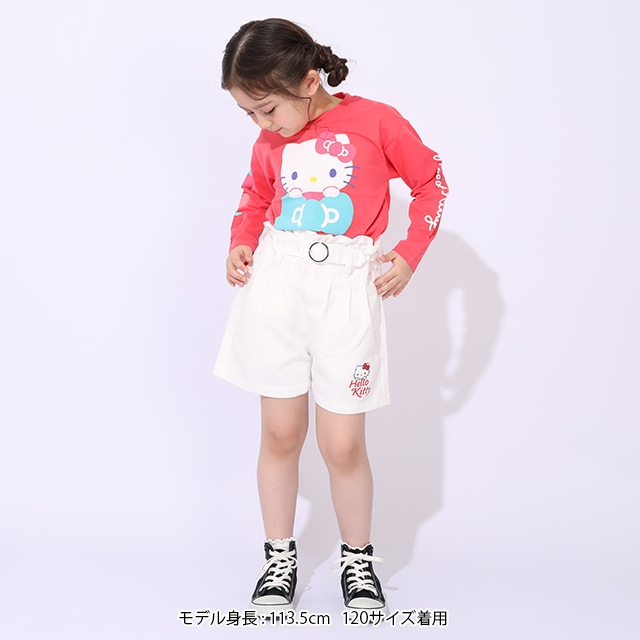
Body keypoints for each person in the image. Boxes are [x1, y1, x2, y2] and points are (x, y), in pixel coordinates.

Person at [214, 18, 448, 613]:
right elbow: (256, 196)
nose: (263, 125)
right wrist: (242, 241)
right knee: (280, 433)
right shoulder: (270, 141)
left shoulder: (376, 121)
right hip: (278, 287)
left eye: (267, 109)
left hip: (346, 289)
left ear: (309, 81)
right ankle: (279, 556)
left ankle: (357, 557)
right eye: (249, 115)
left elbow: (431, 183)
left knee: (342, 444)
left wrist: (410, 253)